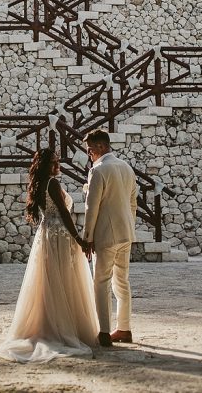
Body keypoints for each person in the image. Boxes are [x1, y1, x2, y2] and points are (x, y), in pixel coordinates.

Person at [0, 148, 99, 363]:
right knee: (63, 279)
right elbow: (63, 213)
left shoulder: (39, 183)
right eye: (53, 163)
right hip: (59, 235)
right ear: (45, 166)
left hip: (46, 235)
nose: (57, 165)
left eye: (57, 161)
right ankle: (62, 327)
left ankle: (49, 323)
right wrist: (79, 239)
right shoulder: (53, 183)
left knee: (50, 281)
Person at [81, 129, 138, 346]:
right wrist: (129, 226)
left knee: (101, 282)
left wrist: (88, 237)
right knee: (122, 281)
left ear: (102, 147)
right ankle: (124, 328)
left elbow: (91, 207)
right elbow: (133, 202)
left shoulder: (99, 170)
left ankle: (104, 332)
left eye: (90, 150)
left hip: (105, 235)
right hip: (125, 233)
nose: (89, 154)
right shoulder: (126, 167)